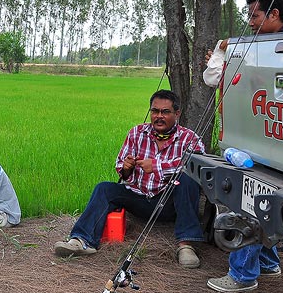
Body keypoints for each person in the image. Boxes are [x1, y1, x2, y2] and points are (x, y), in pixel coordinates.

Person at [204, 0, 283, 293]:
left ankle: (243, 274)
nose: (250, 22)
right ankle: (268, 264)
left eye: (255, 15)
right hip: (273, 140)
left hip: (276, 145)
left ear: (274, 15)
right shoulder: (268, 46)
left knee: (248, 199)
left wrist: (226, 50)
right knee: (261, 200)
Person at [53, 90, 206, 268]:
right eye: (155, 111)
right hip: (139, 198)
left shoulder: (189, 138)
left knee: (187, 180)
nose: (159, 116)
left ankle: (186, 245)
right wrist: (126, 168)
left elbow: (196, 167)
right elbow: (121, 166)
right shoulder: (137, 133)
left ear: (177, 113)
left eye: (165, 112)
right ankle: (81, 241)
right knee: (104, 188)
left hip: (169, 202)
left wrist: (156, 166)